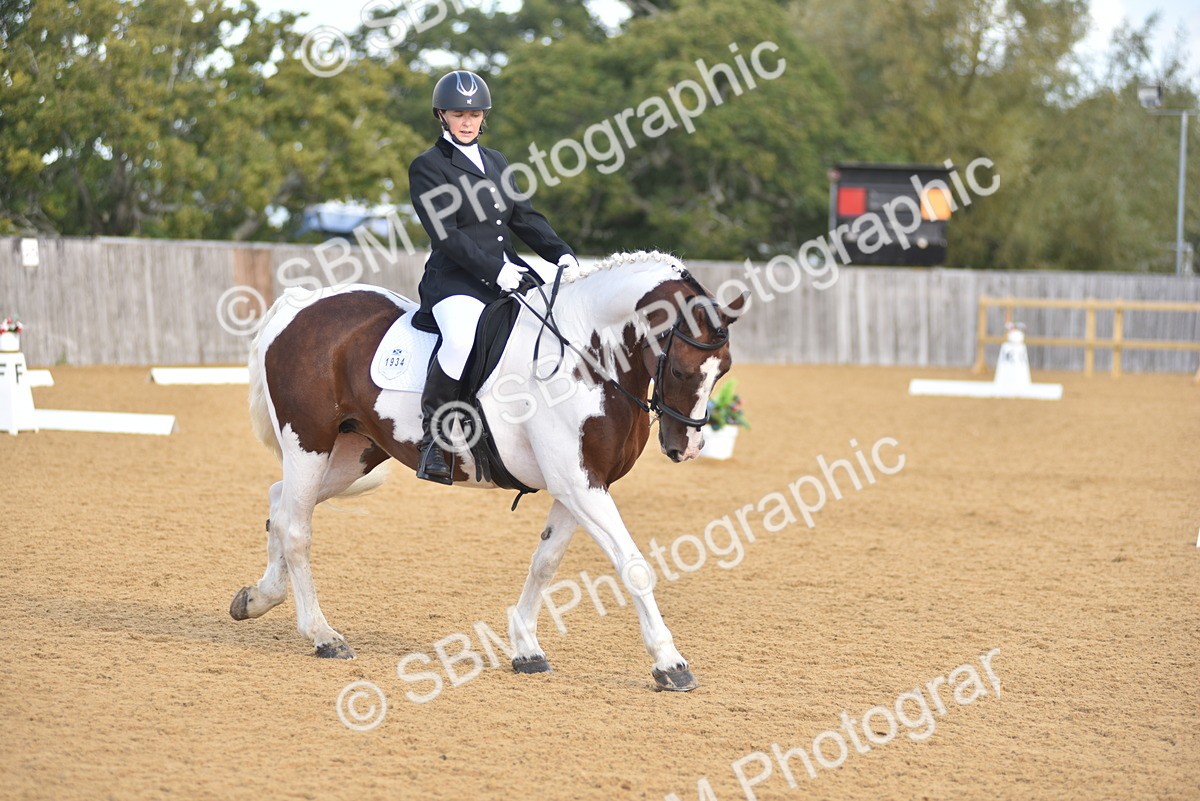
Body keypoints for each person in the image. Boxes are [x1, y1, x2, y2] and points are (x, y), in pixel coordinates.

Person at [408, 69, 579, 485]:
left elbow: (524, 218)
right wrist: (496, 269)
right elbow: (445, 234)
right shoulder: (428, 167)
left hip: (509, 273)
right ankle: (433, 440)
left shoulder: (497, 161)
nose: (467, 121)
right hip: (455, 281)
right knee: (463, 339)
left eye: (474, 113)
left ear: (484, 116)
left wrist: (561, 255)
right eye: (457, 113)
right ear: (441, 116)